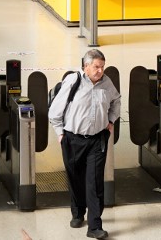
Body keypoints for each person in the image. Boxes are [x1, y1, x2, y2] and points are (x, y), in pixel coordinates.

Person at [49, 49, 122, 239]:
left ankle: (95, 226)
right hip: (72, 139)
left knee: (95, 183)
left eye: (102, 67)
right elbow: (55, 111)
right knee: (75, 178)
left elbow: (116, 100)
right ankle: (78, 212)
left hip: (97, 140)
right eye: (96, 67)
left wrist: (111, 120)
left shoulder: (107, 83)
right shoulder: (73, 82)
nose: (100, 71)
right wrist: (60, 133)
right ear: (86, 66)